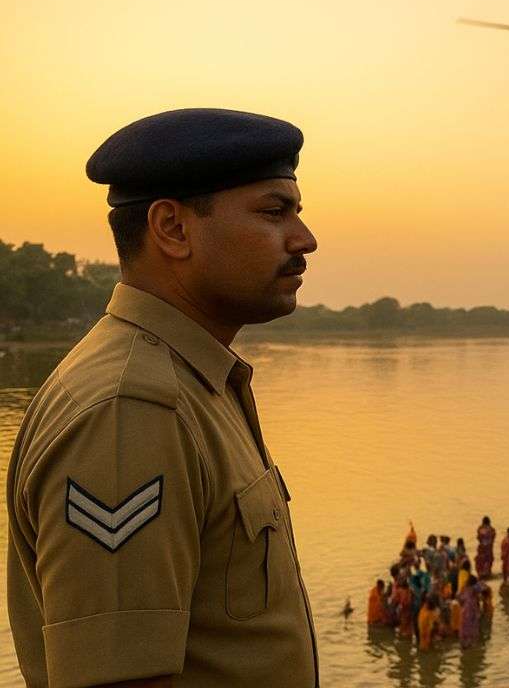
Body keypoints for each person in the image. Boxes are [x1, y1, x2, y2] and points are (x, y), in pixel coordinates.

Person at [6, 109, 319, 687]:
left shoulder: (193, 382)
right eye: (274, 212)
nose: (305, 239)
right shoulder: (131, 411)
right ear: (173, 229)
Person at [458, 575, 483, 649]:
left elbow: (459, 598)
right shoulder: (474, 588)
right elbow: (482, 588)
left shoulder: (464, 588)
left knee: (464, 627)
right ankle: (472, 645)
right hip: (472, 609)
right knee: (473, 627)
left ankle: (464, 644)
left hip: (464, 610)